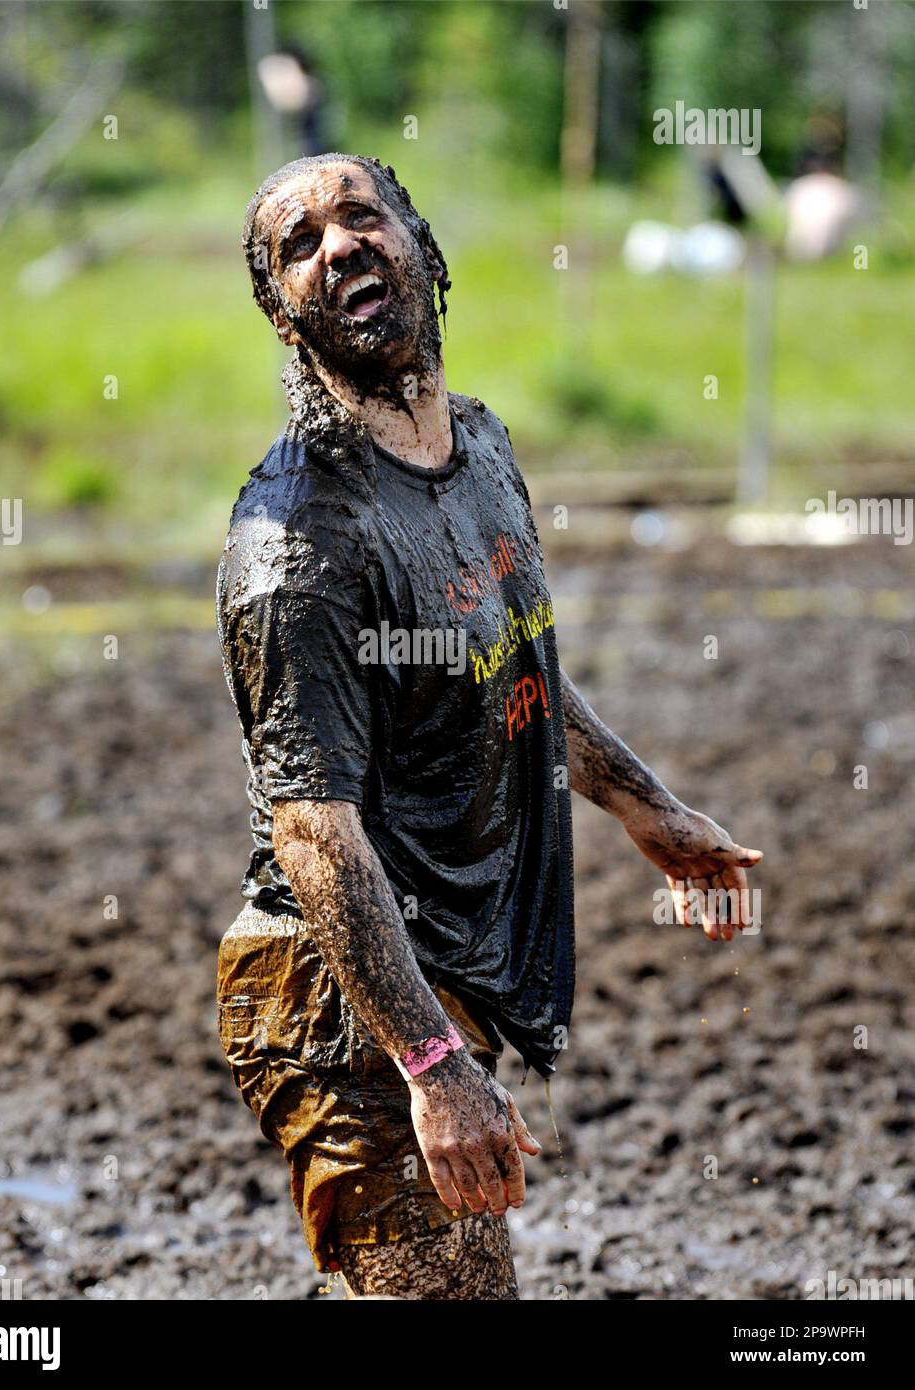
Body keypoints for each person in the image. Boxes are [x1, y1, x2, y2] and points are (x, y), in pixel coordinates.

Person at [216, 153, 763, 1299]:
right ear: (284, 318)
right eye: (298, 245)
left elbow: (507, 671)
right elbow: (314, 831)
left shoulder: (480, 452)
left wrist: (645, 807)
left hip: (442, 978)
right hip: (339, 1000)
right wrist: (428, 1061)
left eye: (360, 215)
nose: (338, 245)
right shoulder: (297, 540)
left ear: (420, 242)